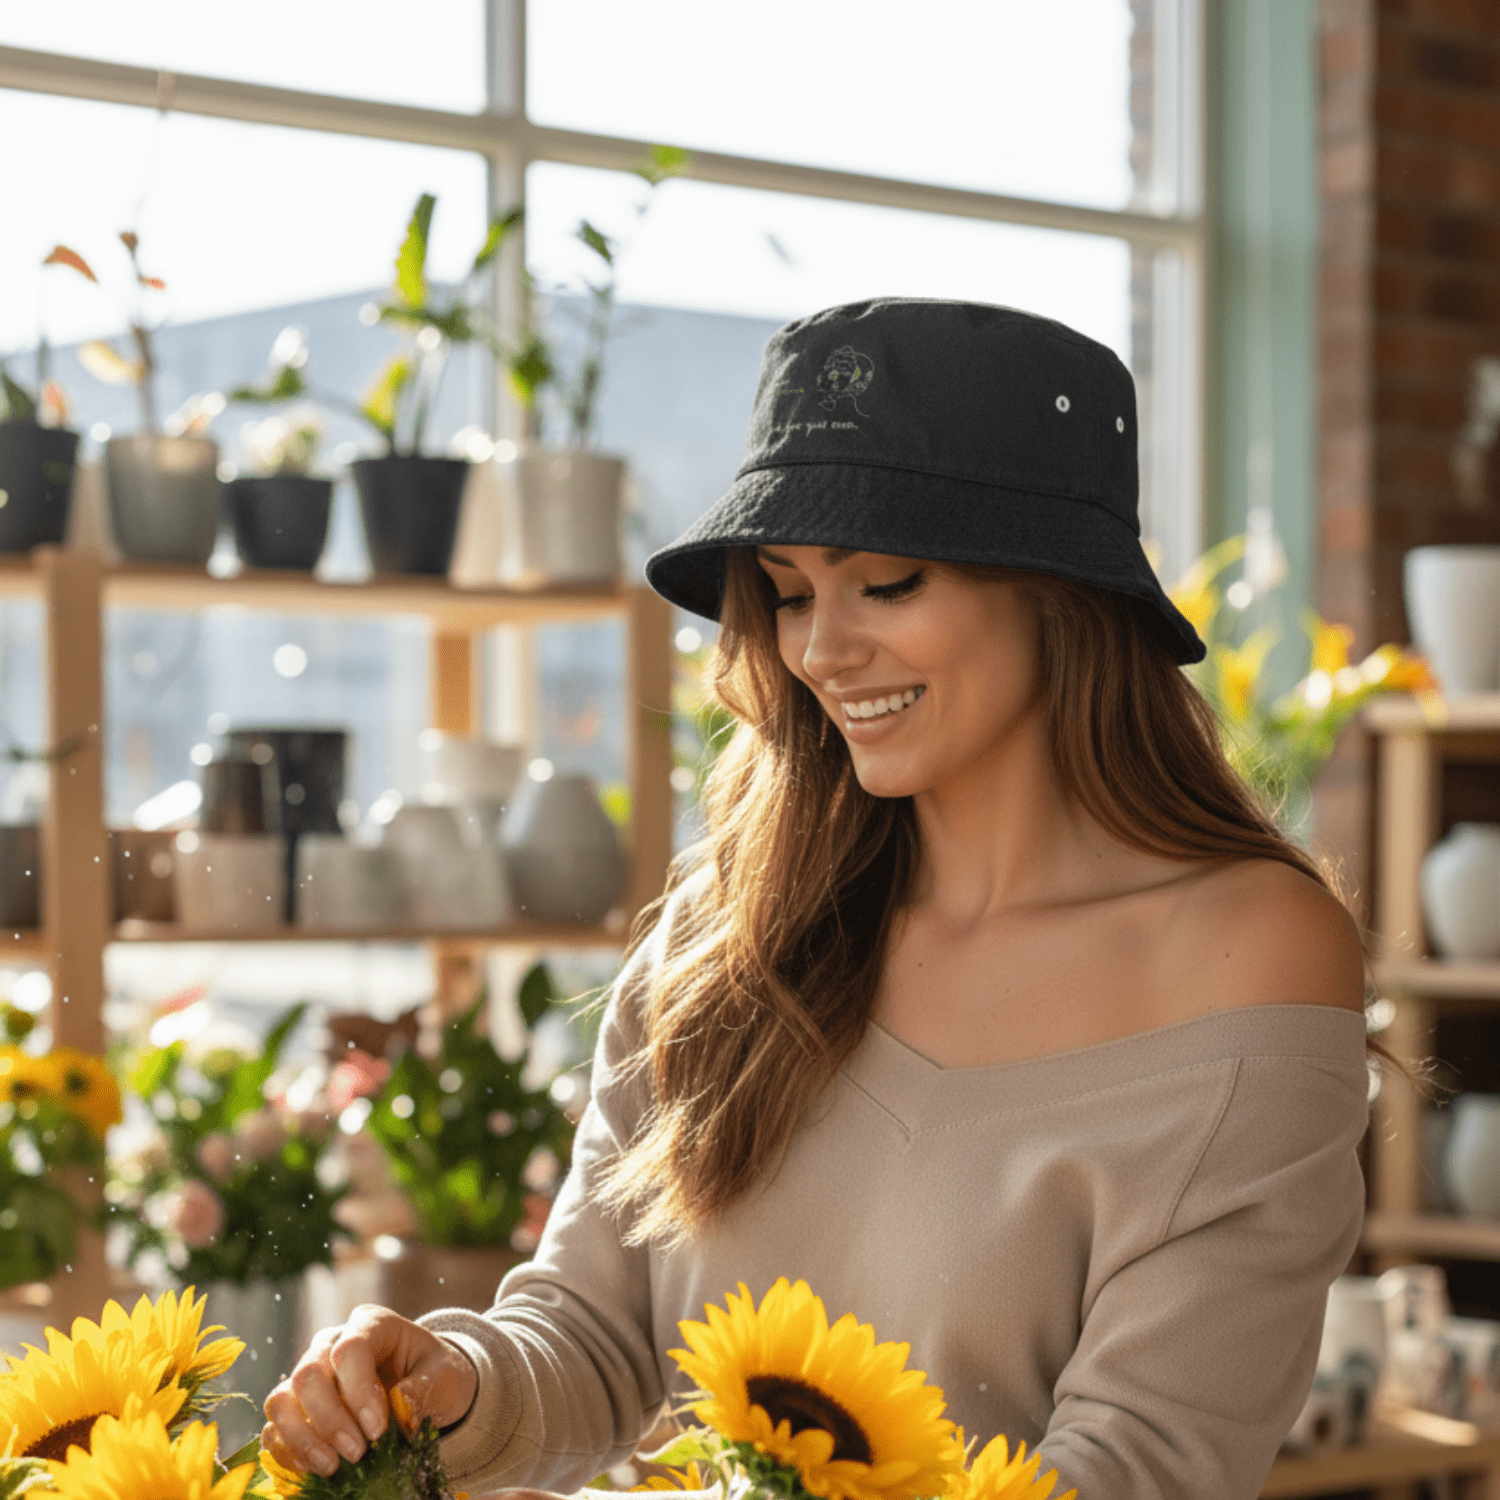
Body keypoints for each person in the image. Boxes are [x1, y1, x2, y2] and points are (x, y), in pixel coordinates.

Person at [262, 299, 1371, 1500]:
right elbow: (595, 1335)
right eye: (790, 592)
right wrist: (451, 1379)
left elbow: (1143, 1469)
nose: (820, 651)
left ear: (1064, 591)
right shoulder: (728, 921)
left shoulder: (1249, 949)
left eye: (886, 583)